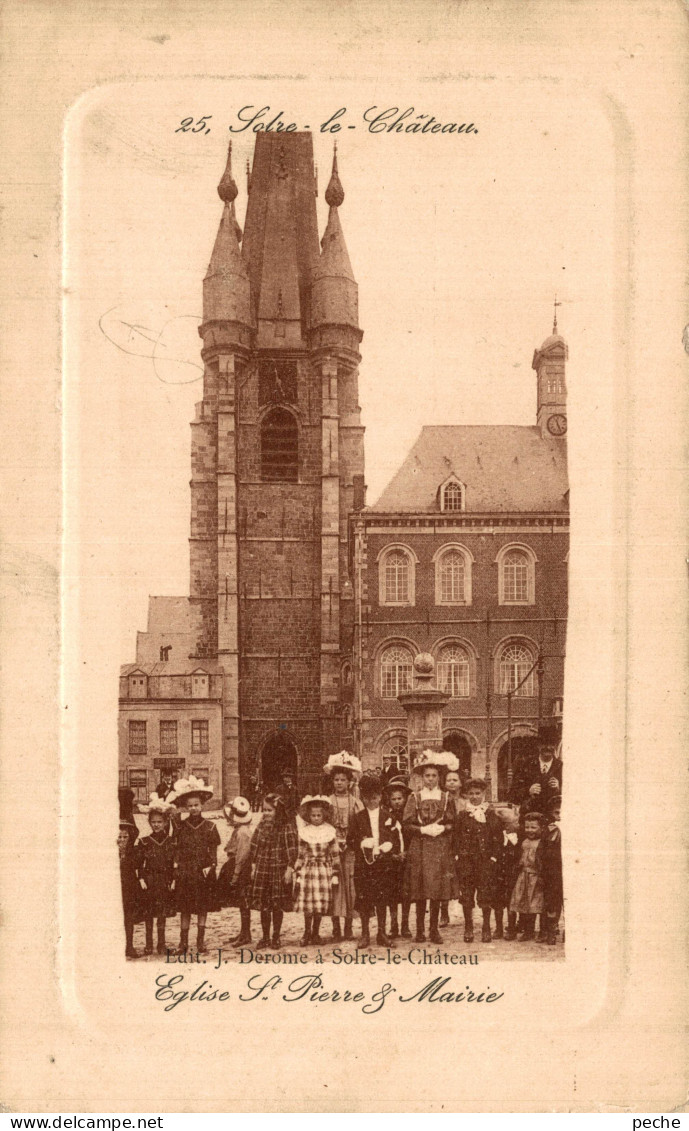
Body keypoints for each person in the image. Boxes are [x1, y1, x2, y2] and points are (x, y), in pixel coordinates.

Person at [402, 751, 456, 944]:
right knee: (420, 889)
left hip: (439, 847)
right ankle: (419, 930)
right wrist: (423, 830)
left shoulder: (446, 797)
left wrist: (442, 827)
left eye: (434, 775)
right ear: (421, 777)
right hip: (421, 846)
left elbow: (452, 822)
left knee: (436, 889)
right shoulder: (414, 797)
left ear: (439, 777)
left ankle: (434, 930)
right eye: (427, 776)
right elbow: (407, 824)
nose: (431, 779)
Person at [347, 772, 399, 948]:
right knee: (364, 899)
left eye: (375, 798)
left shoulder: (388, 817)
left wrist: (389, 846)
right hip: (364, 865)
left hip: (383, 864)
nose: (371, 802)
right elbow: (350, 840)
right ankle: (365, 934)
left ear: (380, 797)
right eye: (368, 798)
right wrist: (362, 842)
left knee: (382, 898)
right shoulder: (357, 817)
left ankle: (382, 933)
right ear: (363, 797)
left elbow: (395, 837)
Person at [169, 775, 220, 954]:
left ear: (202, 805)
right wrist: (177, 867)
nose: (193, 808)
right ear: (186, 807)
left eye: (196, 805)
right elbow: (176, 849)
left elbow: (213, 851)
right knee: (185, 908)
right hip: (185, 872)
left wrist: (212, 866)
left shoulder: (210, 827)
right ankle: (183, 943)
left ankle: (200, 942)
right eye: (190, 805)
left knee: (201, 908)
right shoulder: (181, 827)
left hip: (202, 872)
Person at [248, 793, 298, 951]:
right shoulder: (262, 825)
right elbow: (254, 844)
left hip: (279, 869)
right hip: (263, 868)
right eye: (264, 810)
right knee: (264, 905)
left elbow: (292, 848)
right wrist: (254, 864)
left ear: (278, 811)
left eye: (269, 810)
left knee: (276, 905)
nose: (265, 813)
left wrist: (290, 868)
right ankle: (265, 936)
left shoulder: (286, 827)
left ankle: (276, 936)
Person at [454, 778, 503, 943]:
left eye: (478, 793)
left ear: (484, 794)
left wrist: (493, 858)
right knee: (467, 894)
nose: (474, 797)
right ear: (467, 795)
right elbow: (456, 838)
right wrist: (458, 856)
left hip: (484, 861)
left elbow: (497, 837)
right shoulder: (462, 815)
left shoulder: (490, 814)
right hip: (466, 861)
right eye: (471, 794)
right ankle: (468, 927)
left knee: (485, 894)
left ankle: (486, 927)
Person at [324, 750, 363, 942]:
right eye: (336, 779)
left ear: (349, 782)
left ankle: (348, 926)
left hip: (350, 851)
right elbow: (321, 825)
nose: (339, 783)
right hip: (332, 851)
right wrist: (333, 842)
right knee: (334, 886)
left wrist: (350, 841)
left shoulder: (355, 802)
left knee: (349, 887)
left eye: (343, 780)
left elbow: (361, 825)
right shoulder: (327, 802)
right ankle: (335, 927)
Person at [294, 795, 340, 946]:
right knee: (309, 905)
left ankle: (316, 933)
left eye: (319, 815)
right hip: (309, 870)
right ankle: (306, 932)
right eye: (313, 815)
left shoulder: (329, 831)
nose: (316, 818)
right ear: (308, 815)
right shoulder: (304, 832)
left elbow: (334, 854)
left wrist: (335, 873)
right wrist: (299, 872)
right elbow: (301, 854)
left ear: (324, 815)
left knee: (319, 904)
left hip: (323, 871)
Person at [138, 794, 176, 956]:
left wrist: (173, 879)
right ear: (149, 823)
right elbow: (140, 864)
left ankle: (161, 944)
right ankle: (148, 944)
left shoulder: (170, 841)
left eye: (159, 822)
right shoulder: (144, 842)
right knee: (148, 914)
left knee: (161, 914)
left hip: (164, 881)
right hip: (149, 880)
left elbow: (174, 863)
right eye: (153, 822)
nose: (156, 825)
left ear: (165, 822)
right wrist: (141, 878)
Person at [216, 796, 254, 947]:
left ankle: (246, 934)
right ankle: (243, 932)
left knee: (243, 901)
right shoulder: (239, 830)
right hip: (236, 866)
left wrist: (236, 874)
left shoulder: (243, 833)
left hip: (242, 869)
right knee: (240, 901)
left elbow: (242, 856)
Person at [510, 811, 546, 940]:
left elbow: (544, 862)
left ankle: (543, 932)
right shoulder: (524, 842)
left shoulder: (542, 843)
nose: (530, 830)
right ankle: (528, 931)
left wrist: (542, 876)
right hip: (523, 877)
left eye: (533, 827)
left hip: (536, 877)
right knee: (525, 905)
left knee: (538, 905)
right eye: (527, 827)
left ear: (541, 828)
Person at [383, 776, 412, 939]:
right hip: (392, 860)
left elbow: (412, 836)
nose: (397, 802)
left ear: (405, 798)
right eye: (393, 799)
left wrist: (406, 852)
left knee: (406, 893)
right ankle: (394, 925)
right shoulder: (386, 816)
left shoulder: (409, 816)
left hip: (407, 858)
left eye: (399, 798)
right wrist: (392, 854)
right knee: (392, 894)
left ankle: (405, 924)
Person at [509, 730, 563, 815]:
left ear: (555, 746)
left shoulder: (562, 767)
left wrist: (559, 787)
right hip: (529, 818)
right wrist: (528, 791)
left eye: (551, 744)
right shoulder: (525, 765)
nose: (548, 747)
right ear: (538, 746)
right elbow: (512, 795)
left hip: (552, 818)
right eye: (544, 744)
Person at [439, 761, 463, 927]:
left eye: (455, 780)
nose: (452, 783)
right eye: (449, 780)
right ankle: (444, 912)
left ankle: (466, 907)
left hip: (462, 841)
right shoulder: (441, 800)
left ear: (460, 783)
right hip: (446, 841)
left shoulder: (465, 802)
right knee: (444, 876)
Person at [490, 805, 521, 940]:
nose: (508, 827)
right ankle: (498, 928)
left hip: (513, 873)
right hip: (498, 873)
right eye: (504, 824)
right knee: (497, 901)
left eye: (511, 823)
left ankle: (511, 928)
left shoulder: (520, 837)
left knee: (511, 902)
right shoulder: (496, 836)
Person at [118, 820, 143, 959]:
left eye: (125, 837)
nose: (122, 840)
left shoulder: (133, 851)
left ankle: (129, 945)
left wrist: (124, 854)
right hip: (115, 887)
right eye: (119, 837)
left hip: (129, 887)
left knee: (128, 917)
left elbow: (136, 865)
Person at [540, 794, 563, 945]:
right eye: (556, 812)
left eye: (563, 811)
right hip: (553, 871)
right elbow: (542, 851)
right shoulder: (549, 831)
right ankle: (551, 930)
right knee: (552, 901)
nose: (560, 815)